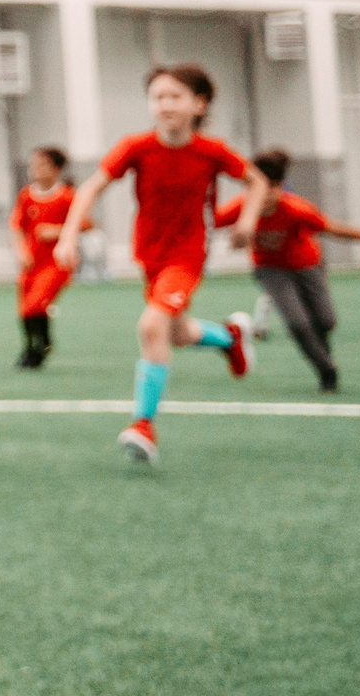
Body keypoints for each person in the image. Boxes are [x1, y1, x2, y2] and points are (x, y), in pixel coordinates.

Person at [56, 64, 263, 465]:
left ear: (199, 104)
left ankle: (143, 425)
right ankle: (231, 338)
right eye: (157, 97)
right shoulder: (136, 147)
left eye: (175, 96)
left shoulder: (212, 152)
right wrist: (68, 236)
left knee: (151, 326)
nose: (165, 104)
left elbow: (255, 181)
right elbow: (89, 188)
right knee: (176, 332)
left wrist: (248, 222)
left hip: (188, 255)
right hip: (150, 254)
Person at [216, 149, 360, 393]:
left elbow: (335, 229)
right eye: (258, 188)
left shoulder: (297, 209)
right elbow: (205, 222)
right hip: (271, 270)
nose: (264, 196)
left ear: (281, 187)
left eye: (271, 188)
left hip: (307, 266)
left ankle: (322, 351)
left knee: (326, 321)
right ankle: (326, 369)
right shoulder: (241, 209)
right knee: (298, 323)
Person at [11, 146, 80, 369]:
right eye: (33, 164)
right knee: (25, 308)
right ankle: (35, 345)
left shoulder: (67, 196)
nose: (35, 169)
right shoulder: (26, 196)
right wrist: (21, 252)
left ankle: (36, 352)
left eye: (41, 165)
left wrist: (57, 230)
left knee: (34, 305)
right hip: (32, 263)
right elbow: (16, 227)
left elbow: (84, 225)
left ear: (55, 169)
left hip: (56, 263)